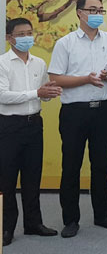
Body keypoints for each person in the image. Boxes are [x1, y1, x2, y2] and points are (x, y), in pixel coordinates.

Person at [48, 0, 107, 238]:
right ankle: (70, 220)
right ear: (79, 12)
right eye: (92, 10)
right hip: (74, 112)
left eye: (101, 10)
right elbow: (55, 79)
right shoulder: (65, 43)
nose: (97, 14)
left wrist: (106, 77)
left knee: (101, 166)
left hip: (103, 111)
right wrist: (86, 78)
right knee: (71, 166)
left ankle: (102, 215)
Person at [0, 18, 61, 246]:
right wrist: (36, 92)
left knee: (32, 177)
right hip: (8, 126)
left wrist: (49, 92)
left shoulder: (39, 62)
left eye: (29, 33)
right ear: (9, 38)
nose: (27, 37)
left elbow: (42, 93)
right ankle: (6, 228)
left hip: (34, 124)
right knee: (6, 179)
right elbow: (3, 96)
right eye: (21, 34)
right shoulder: (2, 63)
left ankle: (34, 223)